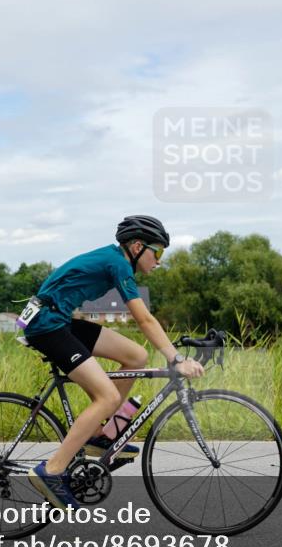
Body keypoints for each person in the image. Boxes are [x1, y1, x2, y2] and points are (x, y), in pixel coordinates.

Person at [24, 215, 205, 509]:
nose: (159, 260)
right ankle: (53, 469)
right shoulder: (118, 263)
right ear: (136, 247)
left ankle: (100, 436)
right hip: (47, 325)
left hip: (59, 320)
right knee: (106, 396)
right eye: (157, 251)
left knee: (136, 356)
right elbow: (143, 318)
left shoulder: (115, 259)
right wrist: (176, 358)